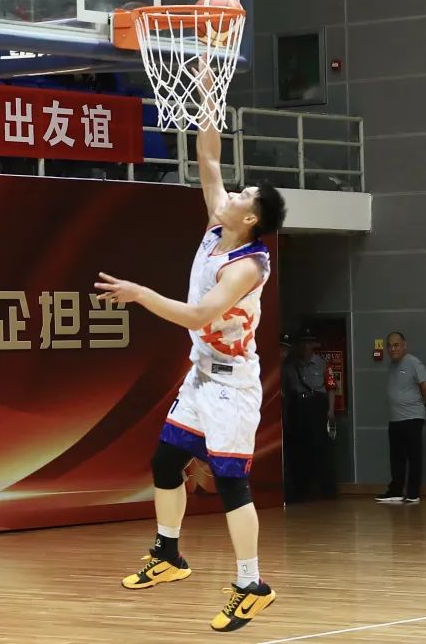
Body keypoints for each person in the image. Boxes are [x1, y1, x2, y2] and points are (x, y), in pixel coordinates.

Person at [94, 77, 287, 633]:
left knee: (231, 483)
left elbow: (200, 316)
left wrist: (140, 294)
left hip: (232, 385)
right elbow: (208, 157)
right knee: (164, 462)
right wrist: (208, 95)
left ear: (251, 219)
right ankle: (169, 554)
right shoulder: (217, 227)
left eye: (244, 196)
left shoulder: (247, 266)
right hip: (201, 375)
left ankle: (252, 585)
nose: (233, 194)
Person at [375, 332, 426, 505]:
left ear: (404, 345)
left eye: (396, 345)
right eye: (390, 346)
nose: (393, 349)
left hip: (413, 417)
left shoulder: (414, 362)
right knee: (396, 458)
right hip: (395, 419)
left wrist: (424, 404)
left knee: (414, 456)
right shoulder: (392, 365)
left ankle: (413, 494)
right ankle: (396, 491)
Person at [281, 328, 336, 502]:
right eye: (302, 343)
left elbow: (331, 387)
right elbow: (285, 393)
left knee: (321, 447)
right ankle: (300, 490)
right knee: (299, 448)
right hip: (298, 406)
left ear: (313, 345)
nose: (305, 347)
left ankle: (327, 489)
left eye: (308, 343)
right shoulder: (289, 367)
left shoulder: (322, 364)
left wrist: (331, 410)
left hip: (317, 405)